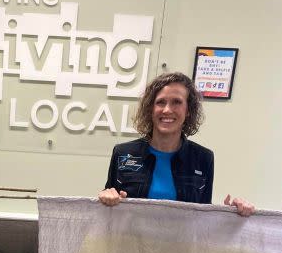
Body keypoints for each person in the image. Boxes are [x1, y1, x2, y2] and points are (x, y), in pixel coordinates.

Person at [98, 72, 254, 216]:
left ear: (188, 110)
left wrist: (230, 214)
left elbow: (202, 217)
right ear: (151, 109)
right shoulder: (123, 152)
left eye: (176, 102)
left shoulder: (203, 158)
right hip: (131, 244)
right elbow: (109, 206)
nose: (167, 110)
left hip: (180, 247)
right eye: (160, 102)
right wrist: (106, 197)